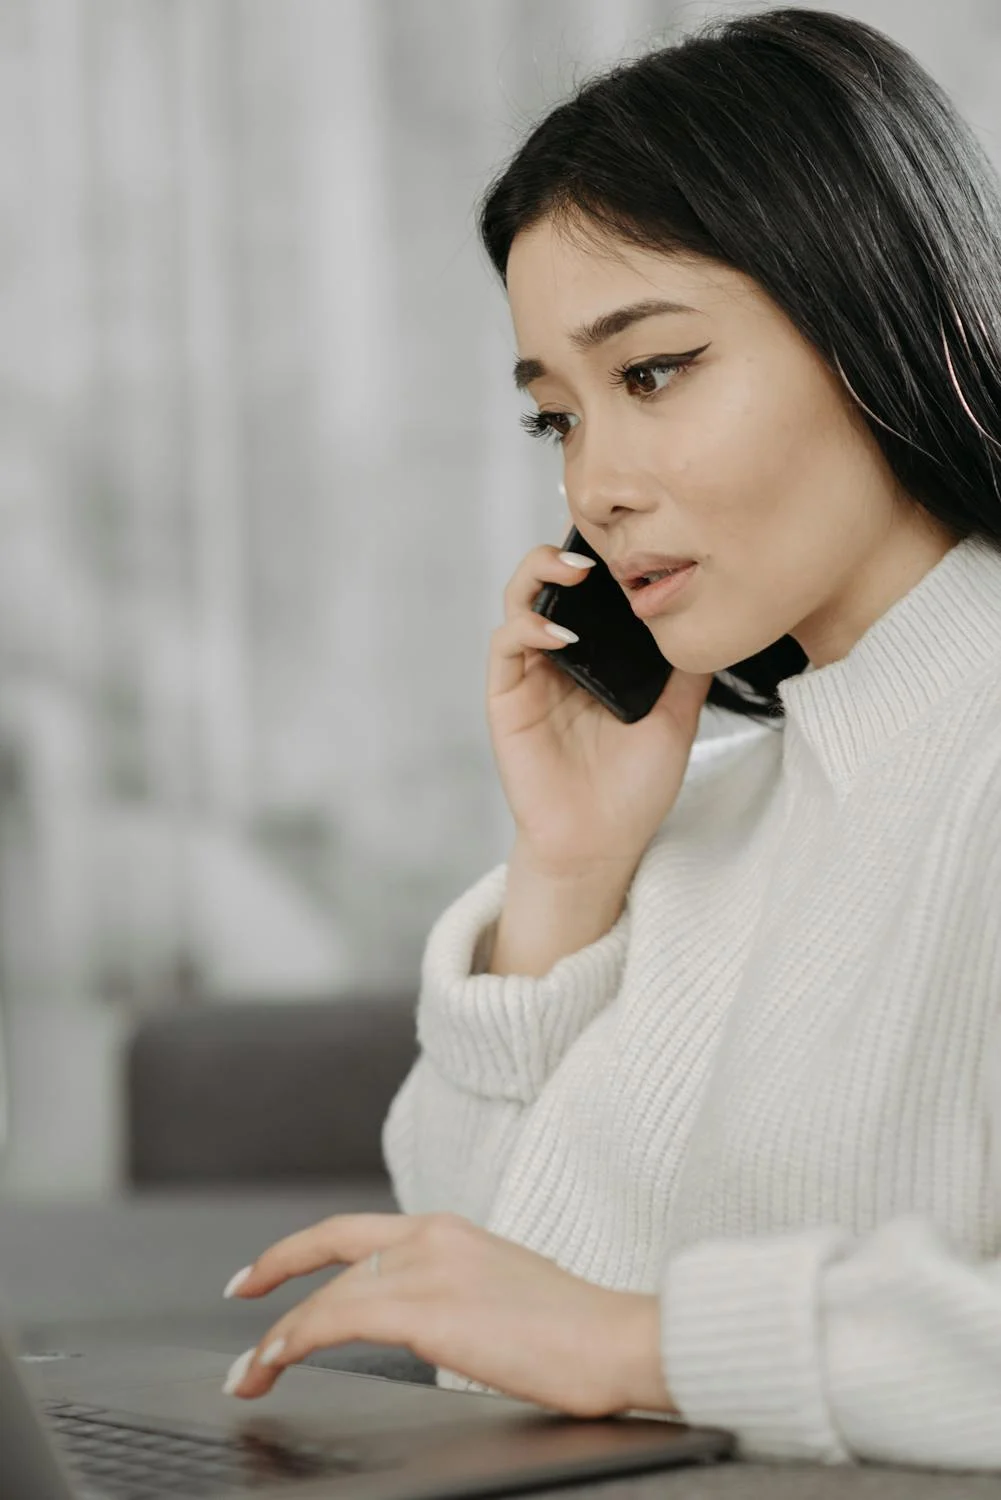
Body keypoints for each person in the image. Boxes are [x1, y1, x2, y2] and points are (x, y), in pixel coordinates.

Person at [218, 6, 1001, 1471]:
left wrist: (639, 1341)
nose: (600, 486)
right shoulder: (708, 815)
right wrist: (567, 877)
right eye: (555, 418)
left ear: (872, 312)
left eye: (650, 373)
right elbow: (475, 1293)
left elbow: (572, 1334)